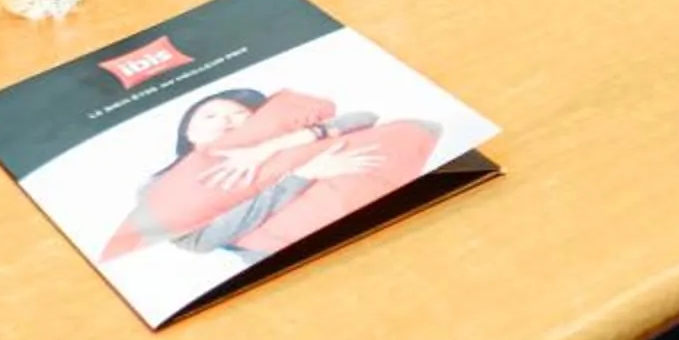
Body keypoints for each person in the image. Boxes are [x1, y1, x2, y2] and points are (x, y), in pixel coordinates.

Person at [101, 88, 439, 263]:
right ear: (188, 131)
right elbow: (199, 241)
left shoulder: (271, 138)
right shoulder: (164, 186)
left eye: (239, 115)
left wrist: (270, 147)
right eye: (211, 116)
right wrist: (301, 175)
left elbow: (364, 116)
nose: (227, 120)